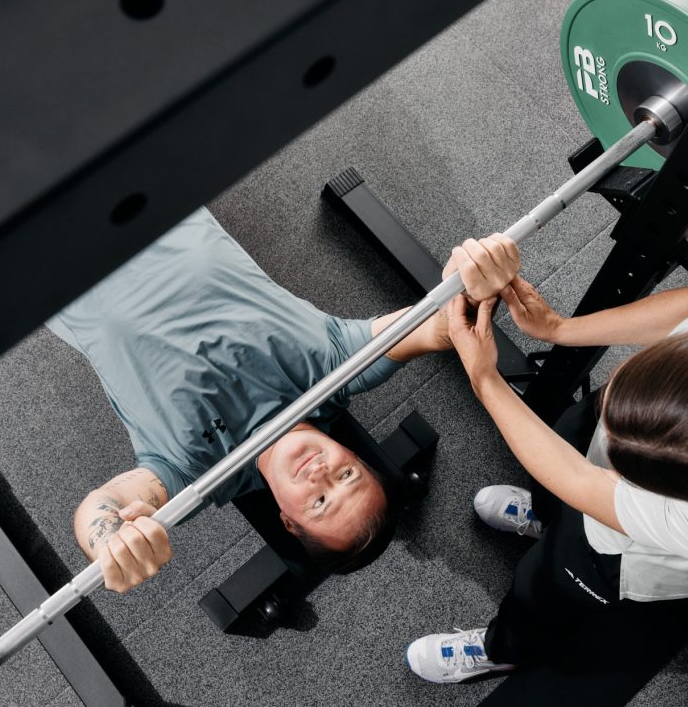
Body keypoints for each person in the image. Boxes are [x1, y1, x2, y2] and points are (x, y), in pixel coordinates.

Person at [50, 206, 519, 594]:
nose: (322, 473)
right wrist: (479, 281)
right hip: (146, 195)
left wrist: (109, 541)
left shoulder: (195, 474)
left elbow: (104, 503)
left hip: (54, 259)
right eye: (347, 474)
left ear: (288, 522)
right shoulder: (338, 366)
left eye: (318, 501)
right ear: (353, 453)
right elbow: (442, 324)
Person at [406, 259, 688, 683]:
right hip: (648, 415)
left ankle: (500, 651)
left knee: (540, 591)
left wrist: (484, 376)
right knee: (570, 437)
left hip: (619, 551)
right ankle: (545, 516)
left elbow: (582, 481)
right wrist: (559, 329)